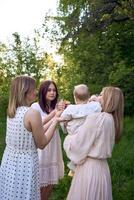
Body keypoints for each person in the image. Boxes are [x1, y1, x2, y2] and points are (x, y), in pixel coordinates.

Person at [0, 76, 62, 200]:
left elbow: (33, 134)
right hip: (25, 165)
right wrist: (55, 121)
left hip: (9, 161)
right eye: (33, 89)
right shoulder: (32, 113)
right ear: (25, 91)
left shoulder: (12, 111)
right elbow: (42, 143)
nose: (36, 92)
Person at [62, 86, 124, 200]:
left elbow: (77, 146)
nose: (96, 96)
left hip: (89, 170)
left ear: (108, 99)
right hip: (103, 170)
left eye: (101, 94)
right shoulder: (112, 119)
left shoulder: (96, 118)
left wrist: (68, 136)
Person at [31, 80, 64, 200]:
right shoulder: (35, 107)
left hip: (54, 144)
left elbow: (63, 128)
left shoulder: (55, 107)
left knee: (50, 183)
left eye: (54, 90)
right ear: (43, 91)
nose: (52, 92)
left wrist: (65, 112)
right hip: (42, 146)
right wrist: (55, 114)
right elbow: (40, 127)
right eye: (49, 90)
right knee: (39, 182)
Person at [60, 84, 102, 175]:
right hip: (90, 137)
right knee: (87, 153)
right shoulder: (95, 106)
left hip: (74, 138)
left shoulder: (70, 109)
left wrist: (65, 128)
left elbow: (62, 120)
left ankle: (75, 168)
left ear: (75, 97)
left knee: (76, 153)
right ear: (89, 95)